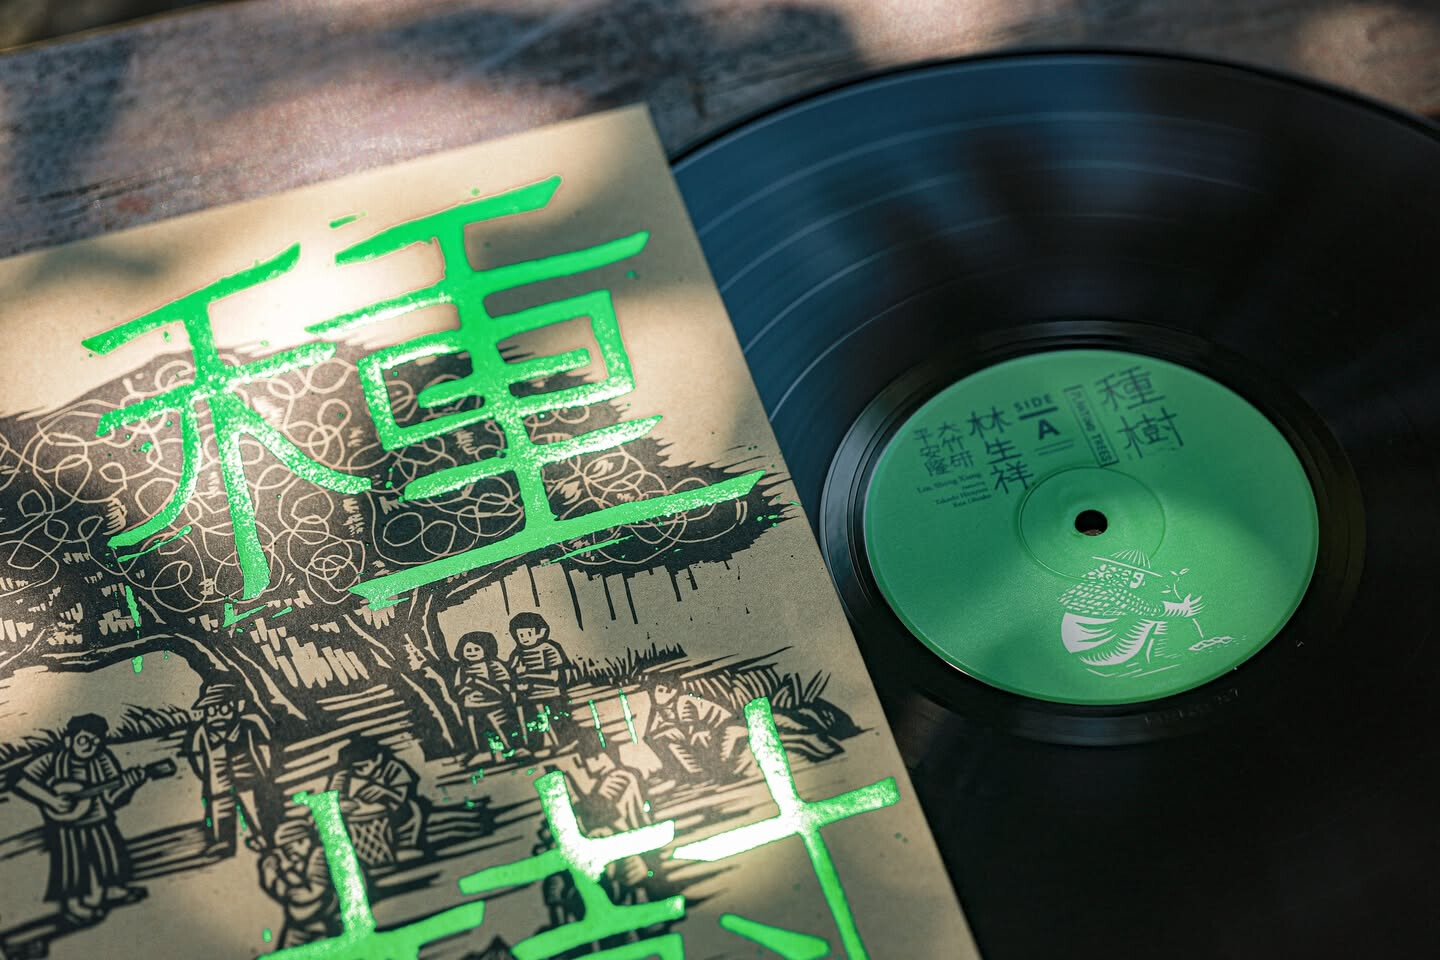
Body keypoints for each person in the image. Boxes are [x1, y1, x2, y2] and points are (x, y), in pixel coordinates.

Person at [13, 714, 147, 924]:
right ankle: (73, 902)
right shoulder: (54, 758)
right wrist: (51, 800)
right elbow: (19, 780)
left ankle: (113, 888)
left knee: (108, 852)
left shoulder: (103, 759)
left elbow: (111, 798)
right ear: (69, 740)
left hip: (98, 817)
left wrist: (129, 785)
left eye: (95, 742)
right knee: (71, 862)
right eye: (84, 739)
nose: (89, 746)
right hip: (66, 823)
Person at [186, 678, 272, 856]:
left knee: (252, 807)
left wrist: (263, 771)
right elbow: (196, 757)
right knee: (219, 808)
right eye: (211, 711)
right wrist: (206, 777)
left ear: (237, 707)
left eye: (223, 709)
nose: (216, 715)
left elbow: (264, 749)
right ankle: (223, 841)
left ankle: (262, 836)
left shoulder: (248, 725)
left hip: (246, 777)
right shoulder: (202, 733)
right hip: (217, 781)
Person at [326, 735, 424, 867]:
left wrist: (385, 793)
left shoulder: (392, 768)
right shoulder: (343, 776)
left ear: (377, 759)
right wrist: (342, 804)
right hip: (356, 821)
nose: (360, 771)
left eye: (364, 766)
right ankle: (356, 855)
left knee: (412, 808)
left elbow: (402, 795)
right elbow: (331, 800)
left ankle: (404, 846)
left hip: (392, 816)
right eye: (356, 768)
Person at [642, 676, 754, 782]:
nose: (661, 695)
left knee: (724, 762)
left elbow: (690, 727)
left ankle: (715, 772)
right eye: (659, 690)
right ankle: (696, 772)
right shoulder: (658, 709)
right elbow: (650, 734)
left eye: (668, 691)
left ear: (675, 692)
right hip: (708, 732)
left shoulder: (684, 701)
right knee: (664, 737)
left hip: (727, 727)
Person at [258, 819, 340, 947]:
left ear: (305, 841)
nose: (290, 852)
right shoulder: (292, 863)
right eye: (286, 848)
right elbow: (280, 890)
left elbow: (310, 893)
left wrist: (286, 872)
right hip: (300, 923)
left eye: (291, 846)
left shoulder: (320, 856)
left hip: (327, 920)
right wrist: (270, 869)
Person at [506, 612, 570, 754]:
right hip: (528, 695)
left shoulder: (549, 649)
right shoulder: (517, 654)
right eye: (521, 635)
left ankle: (560, 743)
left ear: (540, 632)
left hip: (549, 691)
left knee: (550, 718)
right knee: (532, 721)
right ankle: (534, 746)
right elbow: (512, 673)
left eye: (529, 633)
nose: (524, 638)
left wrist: (529, 675)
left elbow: (554, 676)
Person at [453, 630, 515, 760]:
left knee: (500, 725)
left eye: (476, 649)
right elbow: (459, 687)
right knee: (476, 728)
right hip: (472, 706)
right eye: (468, 650)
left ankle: (511, 748)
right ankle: (483, 753)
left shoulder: (494, 665)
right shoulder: (462, 669)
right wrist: (466, 690)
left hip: (494, 704)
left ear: (486, 649)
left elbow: (505, 683)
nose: (472, 652)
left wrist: (488, 688)